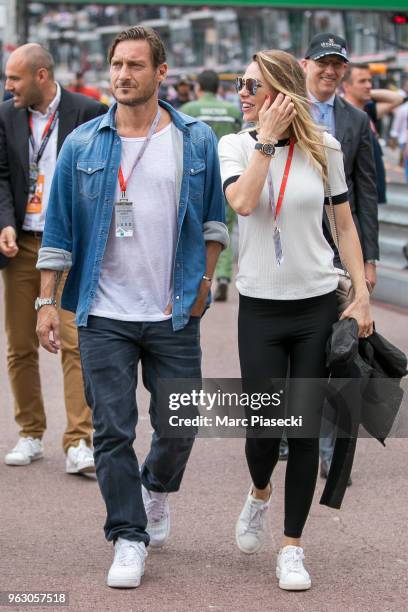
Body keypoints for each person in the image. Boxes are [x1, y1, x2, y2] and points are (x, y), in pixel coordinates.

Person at [36, 26, 227, 589]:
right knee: (112, 430)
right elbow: (58, 230)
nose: (122, 74)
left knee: (180, 424)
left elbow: (215, 218)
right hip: (104, 311)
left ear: (160, 73)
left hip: (171, 311)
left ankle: (155, 489)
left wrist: (207, 277)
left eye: (136, 65)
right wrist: (47, 301)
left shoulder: (194, 140)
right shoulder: (83, 144)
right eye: (117, 64)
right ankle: (128, 534)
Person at [218, 49, 372, 590]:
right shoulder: (235, 144)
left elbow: (346, 226)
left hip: (315, 303)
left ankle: (292, 546)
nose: (241, 92)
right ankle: (259, 492)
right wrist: (265, 138)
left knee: (302, 430)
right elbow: (241, 202)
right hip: (260, 306)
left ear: (281, 92)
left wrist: (362, 298)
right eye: (241, 83)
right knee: (264, 430)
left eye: (252, 85)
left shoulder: (324, 148)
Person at [0, 44, 106, 471]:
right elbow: (2, 176)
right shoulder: (6, 114)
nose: (8, 87)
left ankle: (79, 441)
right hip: (22, 244)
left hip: (69, 248)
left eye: (14, 79)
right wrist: (5, 221)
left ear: (41, 76)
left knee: (74, 345)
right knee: (19, 345)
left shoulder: (88, 111)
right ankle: (30, 433)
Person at [301, 34, 379, 481]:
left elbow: (366, 192)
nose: (330, 72)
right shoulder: (283, 108)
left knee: (342, 352)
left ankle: (331, 450)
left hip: (338, 249)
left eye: (338, 65)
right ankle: (292, 434)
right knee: (298, 350)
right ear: (306, 64)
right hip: (291, 248)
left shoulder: (356, 120)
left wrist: (368, 260)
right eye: (323, 63)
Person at [181, 69, 242, 302]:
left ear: (199, 87)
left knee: (195, 229)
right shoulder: (233, 111)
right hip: (227, 176)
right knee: (223, 226)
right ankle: (224, 277)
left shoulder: (188, 111)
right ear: (218, 88)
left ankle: (199, 279)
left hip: (197, 178)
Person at [342, 62, 405, 203]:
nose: (368, 85)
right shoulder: (341, 114)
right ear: (346, 86)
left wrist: (367, 93)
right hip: (354, 197)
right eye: (362, 81)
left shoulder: (368, 110)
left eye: (369, 81)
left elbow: (398, 99)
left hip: (371, 193)